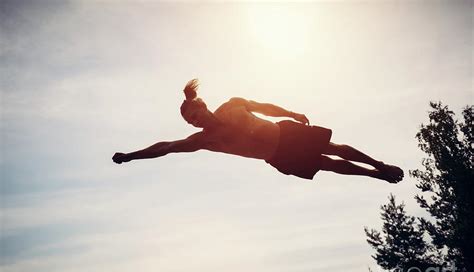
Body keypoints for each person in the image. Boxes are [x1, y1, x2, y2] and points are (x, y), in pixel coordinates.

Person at [112, 79, 403, 183]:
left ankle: (379, 164)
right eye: (190, 122)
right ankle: (375, 175)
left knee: (335, 149)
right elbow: (165, 147)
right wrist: (130, 156)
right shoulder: (206, 140)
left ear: (202, 104)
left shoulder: (233, 105)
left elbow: (264, 106)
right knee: (329, 166)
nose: (195, 122)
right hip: (277, 155)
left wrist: (290, 112)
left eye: (194, 114)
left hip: (285, 133)